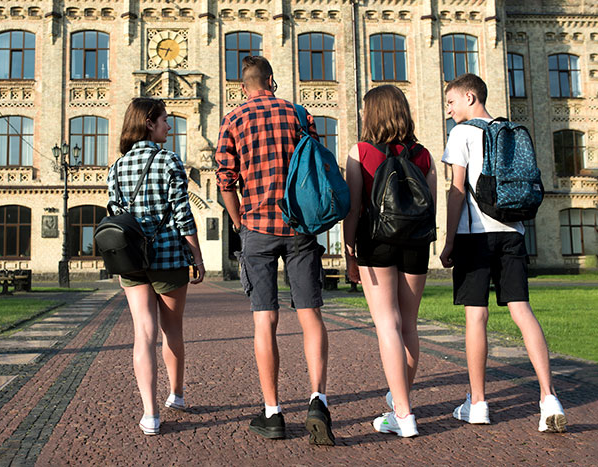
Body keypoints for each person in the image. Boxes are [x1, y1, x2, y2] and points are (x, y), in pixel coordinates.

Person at [214, 56, 335, 446]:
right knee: (310, 314)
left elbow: (225, 181)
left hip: (258, 229)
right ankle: (318, 399)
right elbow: (313, 165)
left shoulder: (232, 120)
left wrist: (238, 223)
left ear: (242, 86)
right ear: (271, 80)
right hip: (299, 226)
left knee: (265, 321)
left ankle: (273, 413)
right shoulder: (299, 113)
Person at [440, 73, 567, 433]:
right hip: (513, 231)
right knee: (522, 311)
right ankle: (549, 397)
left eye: (451, 102)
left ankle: (478, 403)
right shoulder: (509, 131)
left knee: (475, 317)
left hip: (475, 235)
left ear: (469, 97)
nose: (448, 110)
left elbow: (457, 190)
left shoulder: (461, 134)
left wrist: (449, 240)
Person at [343, 85, 437, 438]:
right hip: (416, 242)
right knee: (409, 324)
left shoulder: (362, 152)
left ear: (372, 114)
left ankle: (403, 412)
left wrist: (350, 251)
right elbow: (432, 207)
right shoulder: (424, 155)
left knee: (387, 323)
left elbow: (354, 208)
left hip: (376, 241)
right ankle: (401, 399)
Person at [110, 97, 205, 435]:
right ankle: (176, 395)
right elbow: (182, 214)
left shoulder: (117, 167)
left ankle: (150, 414)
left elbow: (114, 213)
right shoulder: (169, 161)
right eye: (165, 119)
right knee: (172, 330)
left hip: (131, 261)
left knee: (143, 333)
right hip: (168, 258)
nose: (169, 125)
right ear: (149, 123)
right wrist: (197, 255)